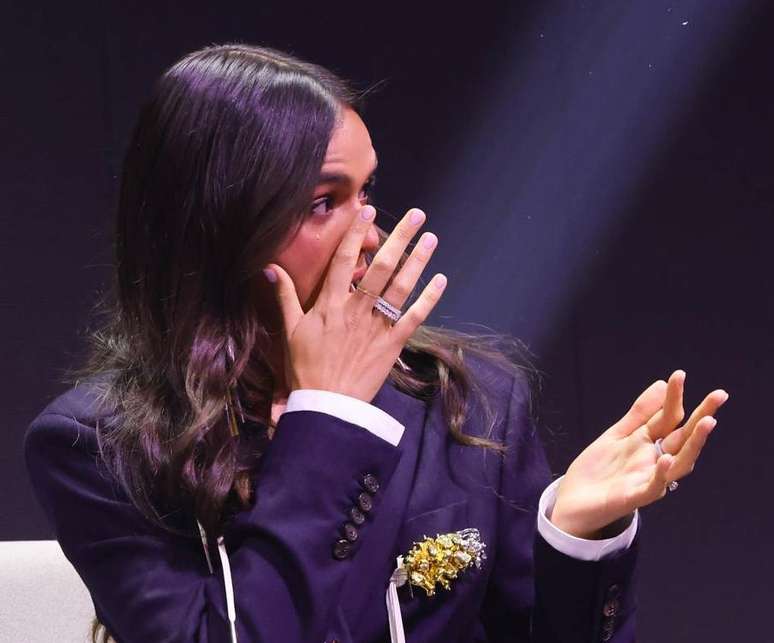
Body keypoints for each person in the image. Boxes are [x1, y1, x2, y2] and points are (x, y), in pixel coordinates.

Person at [23, 43, 728, 643]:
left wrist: (575, 536)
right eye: (323, 202)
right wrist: (327, 420)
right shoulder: (98, 444)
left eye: (366, 193)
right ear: (217, 227)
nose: (368, 232)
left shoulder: (468, 399)